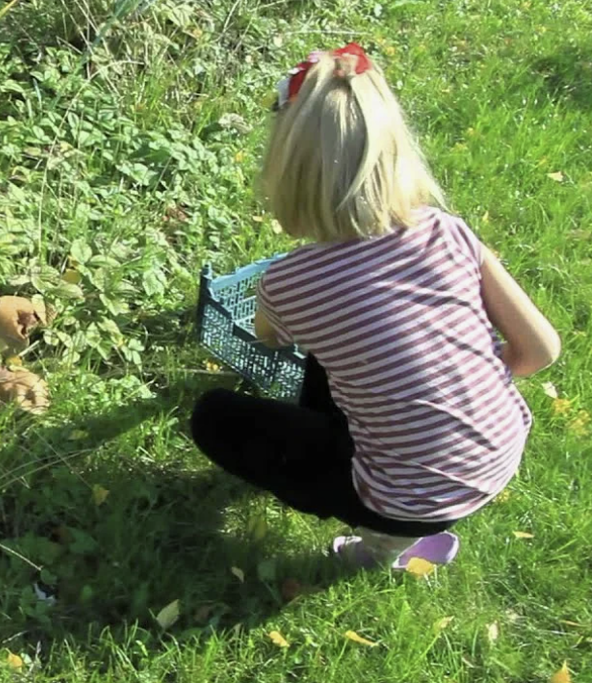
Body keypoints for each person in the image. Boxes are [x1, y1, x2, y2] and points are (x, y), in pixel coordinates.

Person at [190, 43, 561, 569]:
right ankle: (414, 498)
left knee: (214, 417)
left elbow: (269, 336)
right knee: (335, 354)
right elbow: (540, 351)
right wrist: (448, 379)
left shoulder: (291, 281)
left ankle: (379, 545)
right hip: (499, 455)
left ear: (287, 175)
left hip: (403, 499)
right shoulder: (445, 231)